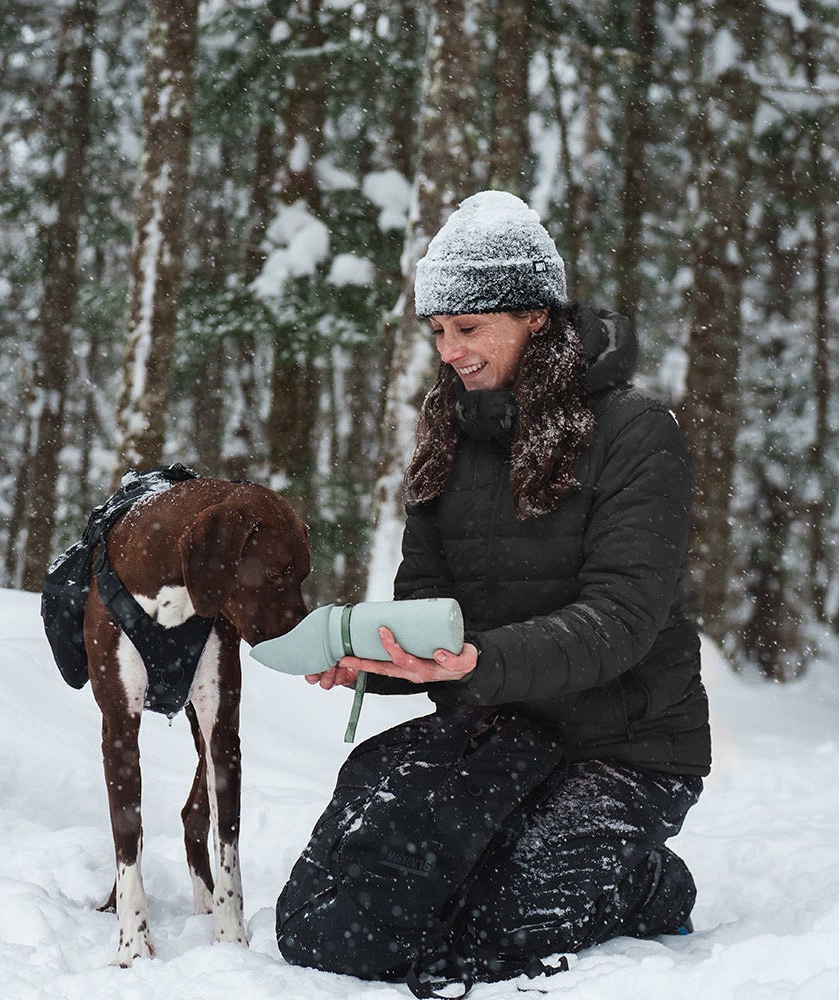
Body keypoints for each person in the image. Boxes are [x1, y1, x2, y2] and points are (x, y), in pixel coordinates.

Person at [297, 190, 711, 976]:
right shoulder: (446, 432)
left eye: (470, 329)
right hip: (496, 733)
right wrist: (376, 661)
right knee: (375, 914)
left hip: (628, 746)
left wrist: (478, 661)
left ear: (538, 317)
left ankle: (645, 882)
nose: (450, 352)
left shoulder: (638, 434)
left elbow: (622, 617)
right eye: (439, 332)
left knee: (498, 937)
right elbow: (430, 606)